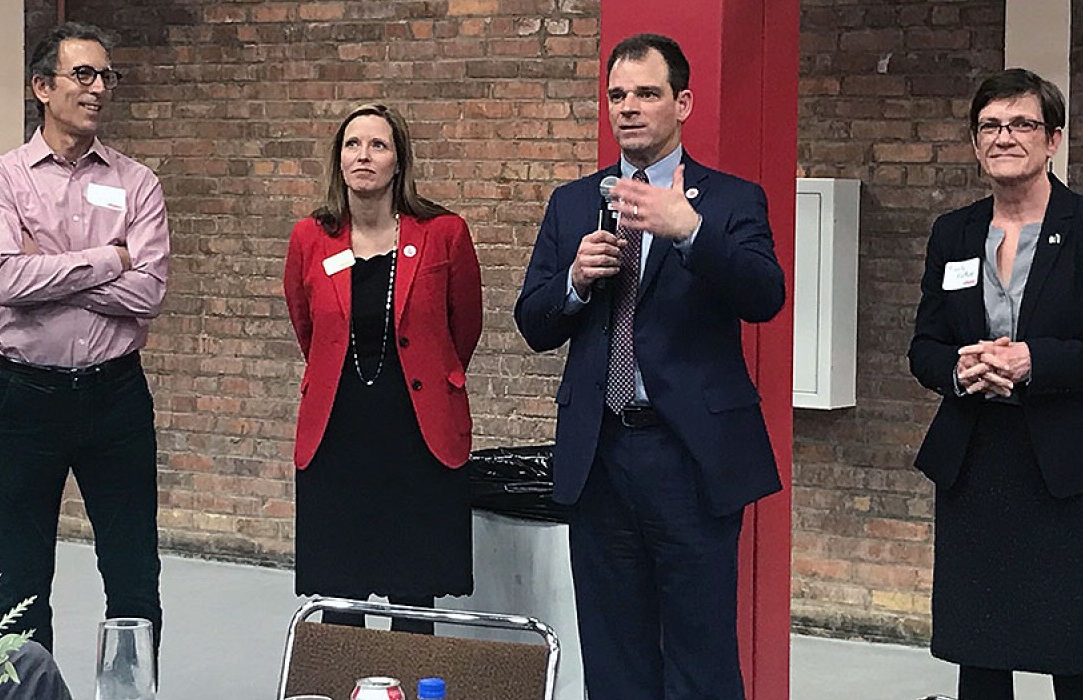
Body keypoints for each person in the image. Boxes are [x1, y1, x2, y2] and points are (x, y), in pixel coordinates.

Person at [514, 33, 786, 700]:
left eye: (646, 93)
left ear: (683, 103)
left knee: (700, 658)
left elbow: (764, 295)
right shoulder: (573, 202)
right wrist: (574, 281)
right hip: (600, 454)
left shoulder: (729, 199)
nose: (628, 107)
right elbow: (533, 322)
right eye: (616, 95)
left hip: (689, 457)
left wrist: (689, 229)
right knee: (614, 657)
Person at [908, 68, 1083, 700]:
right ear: (974, 143)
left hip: (1070, 470)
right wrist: (959, 371)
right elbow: (924, 348)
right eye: (990, 125)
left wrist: (1034, 362)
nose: (1004, 137)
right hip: (977, 464)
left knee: (1074, 654)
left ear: (1053, 140)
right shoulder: (954, 232)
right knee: (981, 651)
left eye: (1022, 124)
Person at [0, 23, 169, 654]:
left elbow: (151, 293)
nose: (98, 88)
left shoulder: (138, 184)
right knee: (22, 582)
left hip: (117, 398)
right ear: (41, 87)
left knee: (134, 575)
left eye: (106, 76)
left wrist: (51, 268)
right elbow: (6, 279)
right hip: (28, 399)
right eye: (83, 74)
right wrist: (110, 260)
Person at [283, 103, 482, 633]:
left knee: (413, 593)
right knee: (340, 598)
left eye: (377, 145)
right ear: (338, 160)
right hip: (338, 435)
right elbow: (308, 329)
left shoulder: (444, 233)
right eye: (352, 145)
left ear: (399, 161)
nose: (363, 156)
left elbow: (464, 328)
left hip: (418, 434)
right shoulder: (310, 237)